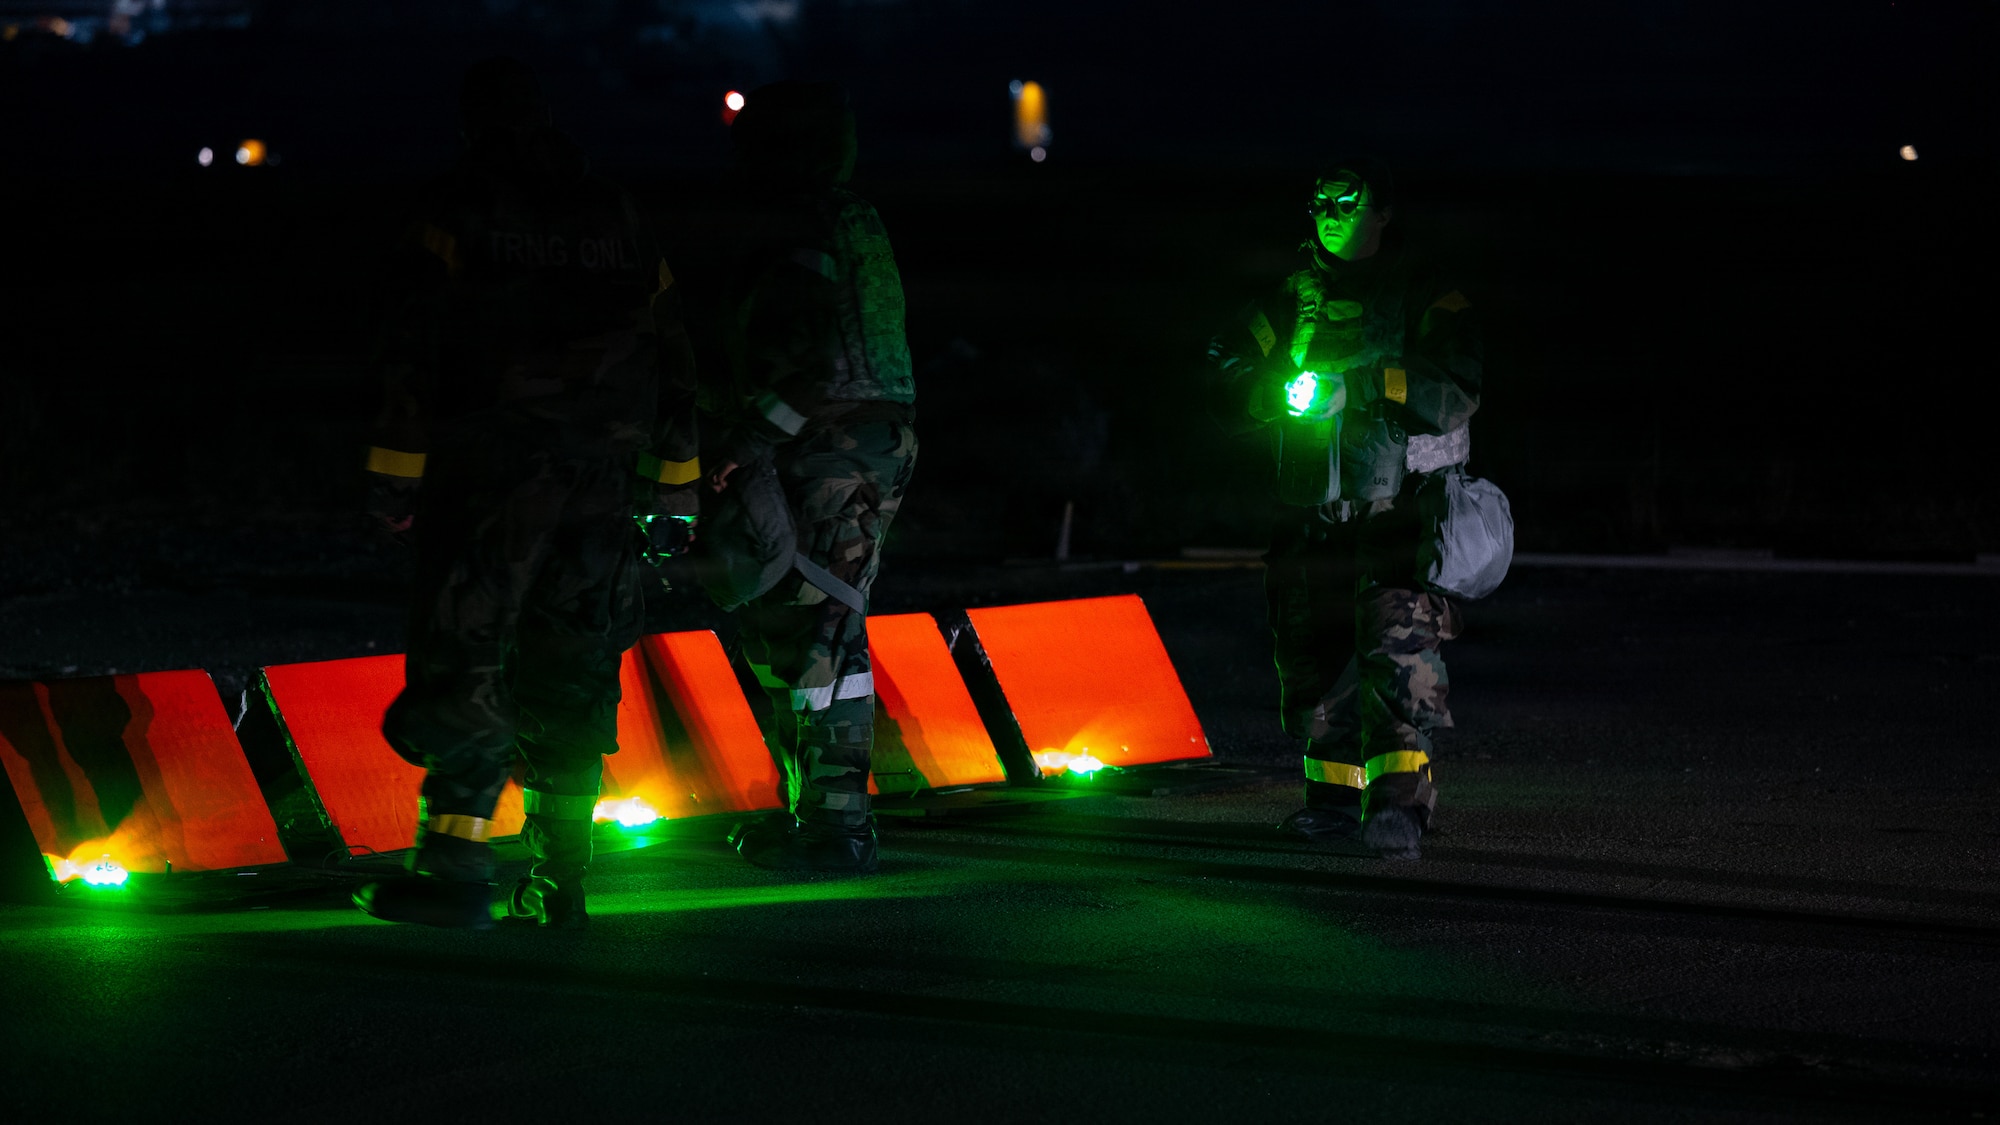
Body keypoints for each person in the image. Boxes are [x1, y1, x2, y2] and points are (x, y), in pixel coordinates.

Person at [352, 58, 701, 928]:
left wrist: (396, 477)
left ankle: (458, 865)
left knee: (468, 650)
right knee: (577, 664)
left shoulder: (456, 209)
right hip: (603, 480)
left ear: (473, 124)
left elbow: (410, 343)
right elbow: (675, 348)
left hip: (494, 473)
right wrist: (675, 484)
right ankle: (561, 879)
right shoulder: (617, 214)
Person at [1205, 157, 1482, 860]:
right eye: (1319, 200)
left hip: (1398, 517)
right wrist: (1271, 393)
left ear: (1382, 210)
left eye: (1346, 199)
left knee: (1398, 659)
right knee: (1314, 663)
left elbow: (1455, 389)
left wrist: (1357, 388)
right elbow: (1224, 366)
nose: (1328, 211)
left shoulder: (1425, 291)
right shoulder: (1290, 297)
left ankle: (1399, 810)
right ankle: (1330, 802)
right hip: (1312, 521)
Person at [705, 82, 918, 874]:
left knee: (812, 638)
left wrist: (746, 434)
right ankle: (827, 817)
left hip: (829, 448)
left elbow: (803, 361)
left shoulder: (801, 223)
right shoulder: (850, 217)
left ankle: (833, 828)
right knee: (830, 633)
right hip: (866, 440)